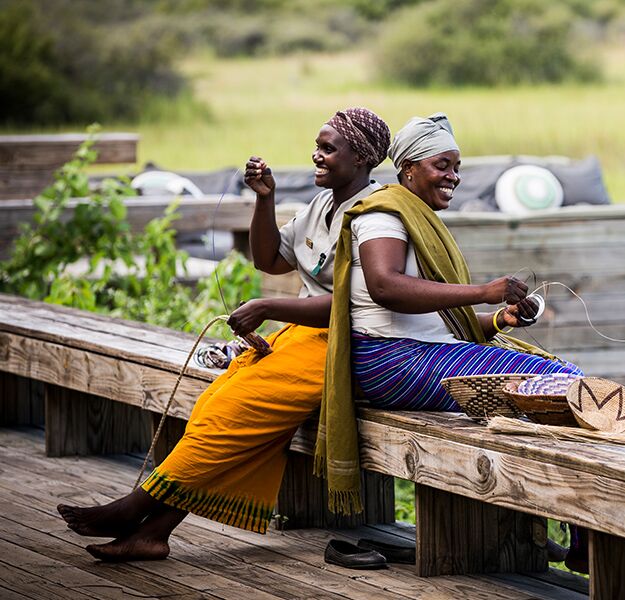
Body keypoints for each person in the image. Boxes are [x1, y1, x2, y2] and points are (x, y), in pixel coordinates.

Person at [57, 108, 391, 562]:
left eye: (329, 148)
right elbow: (269, 260)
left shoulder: (373, 216)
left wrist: (269, 305)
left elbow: (350, 305)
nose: (317, 155)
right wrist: (265, 199)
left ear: (362, 158)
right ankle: (153, 532)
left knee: (234, 411)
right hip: (302, 338)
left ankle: (133, 509)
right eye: (318, 145)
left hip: (342, 348)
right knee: (216, 405)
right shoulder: (322, 204)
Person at [316, 113, 588, 570]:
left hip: (419, 356)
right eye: (442, 165)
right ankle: (583, 542)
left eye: (457, 166)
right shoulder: (385, 213)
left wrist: (497, 318)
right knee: (568, 387)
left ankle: (546, 533)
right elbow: (385, 287)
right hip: (392, 363)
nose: (453, 177)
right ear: (408, 169)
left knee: (560, 390)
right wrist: (483, 290)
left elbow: (443, 326)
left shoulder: (412, 214)